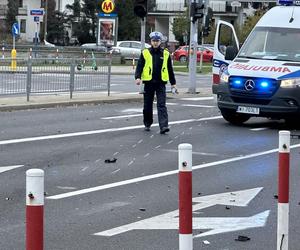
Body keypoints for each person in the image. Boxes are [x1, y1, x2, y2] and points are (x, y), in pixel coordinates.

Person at [135, 31, 177, 134]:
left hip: (160, 83)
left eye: (157, 41)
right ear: (151, 41)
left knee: (161, 105)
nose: (155, 43)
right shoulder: (145, 52)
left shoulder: (165, 53)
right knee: (147, 105)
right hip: (149, 83)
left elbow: (169, 69)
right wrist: (138, 77)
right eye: (153, 41)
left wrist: (173, 83)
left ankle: (164, 126)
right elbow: (139, 66)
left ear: (160, 42)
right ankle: (147, 123)